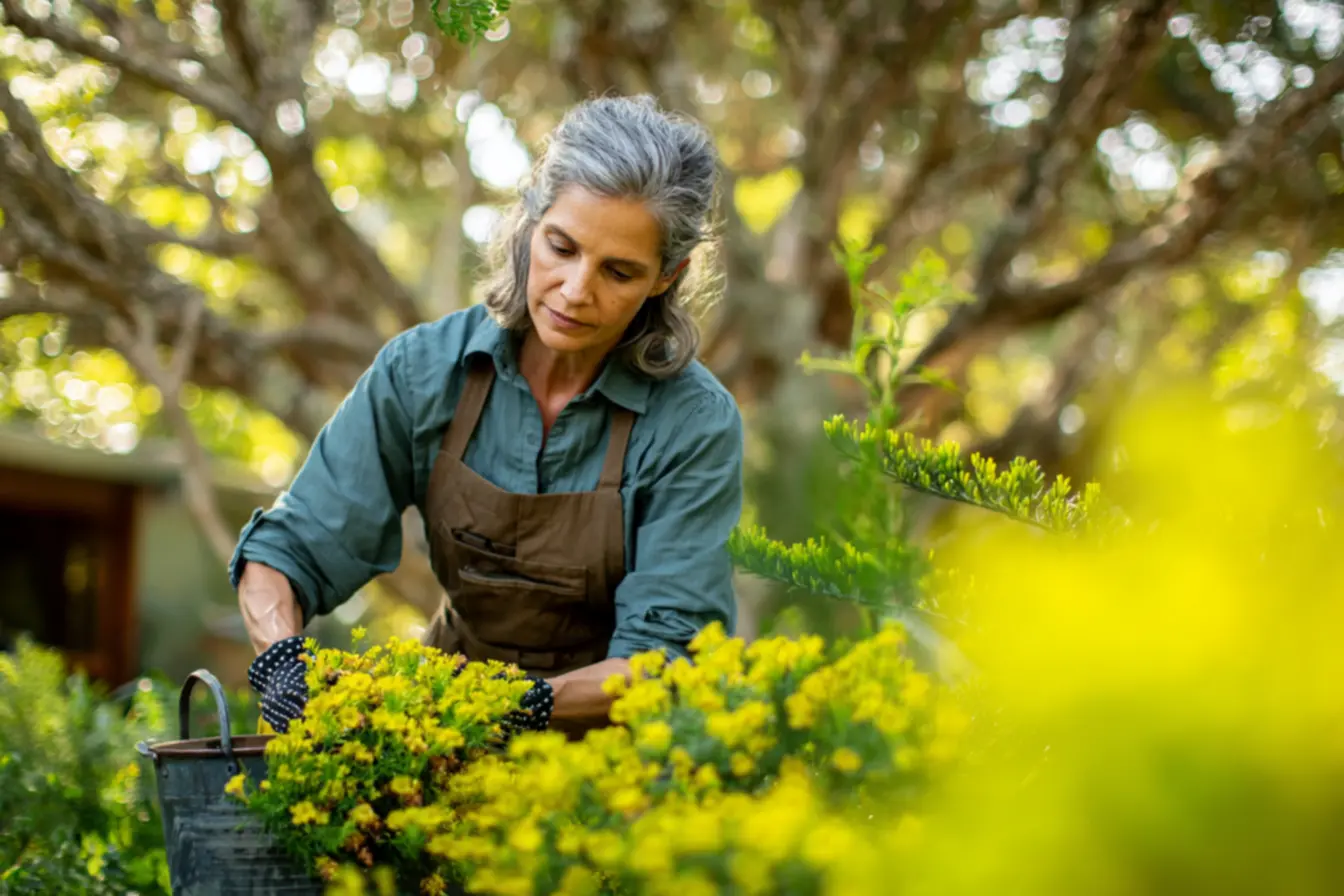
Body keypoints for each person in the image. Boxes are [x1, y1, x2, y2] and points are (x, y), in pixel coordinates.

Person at [233, 94, 744, 739]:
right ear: (530, 224)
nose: (576, 289)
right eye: (561, 247)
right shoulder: (425, 371)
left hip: (615, 763)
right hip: (437, 739)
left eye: (618, 271)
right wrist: (281, 663)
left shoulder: (692, 423)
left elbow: (663, 659)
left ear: (668, 276)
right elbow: (292, 547)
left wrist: (506, 708)